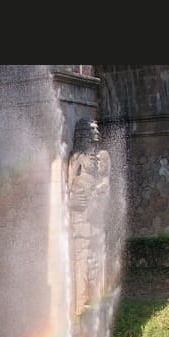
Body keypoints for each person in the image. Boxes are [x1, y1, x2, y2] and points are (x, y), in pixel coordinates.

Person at [67, 118, 111, 313]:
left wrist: (101, 190)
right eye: (92, 128)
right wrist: (75, 196)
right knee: (82, 249)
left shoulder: (104, 156)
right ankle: (81, 301)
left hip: (96, 207)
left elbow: (106, 181)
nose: (96, 131)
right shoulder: (77, 156)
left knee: (96, 248)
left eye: (97, 127)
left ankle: (94, 297)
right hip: (81, 210)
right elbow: (69, 184)